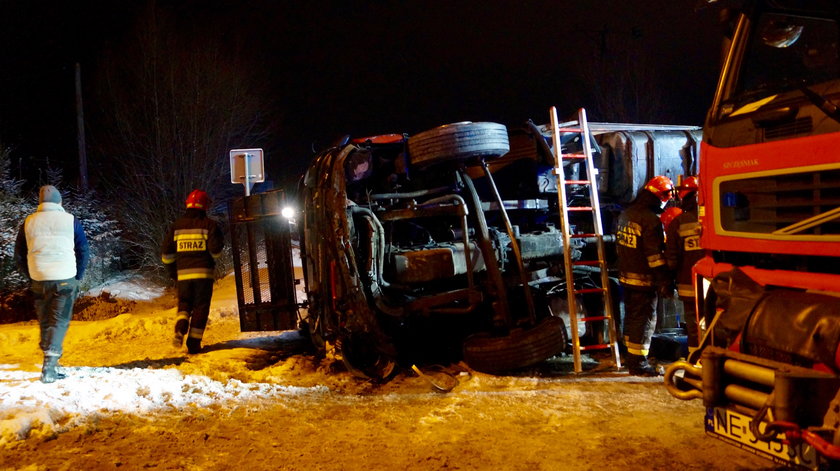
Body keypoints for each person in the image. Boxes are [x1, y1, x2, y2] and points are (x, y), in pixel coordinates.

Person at [14, 185, 89, 383]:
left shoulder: (28, 221)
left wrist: (30, 275)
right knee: (59, 320)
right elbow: (83, 250)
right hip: (64, 276)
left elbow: (19, 253)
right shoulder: (70, 220)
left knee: (46, 318)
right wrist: (78, 275)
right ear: (59, 201)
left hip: (38, 277)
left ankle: (52, 361)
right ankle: (49, 365)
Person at [616, 176, 674, 376]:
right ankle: (639, 364)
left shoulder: (626, 214)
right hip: (644, 280)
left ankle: (631, 358)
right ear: (659, 197)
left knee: (631, 318)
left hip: (625, 277)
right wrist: (665, 281)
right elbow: (655, 257)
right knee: (645, 320)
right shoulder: (651, 220)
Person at [161, 189, 224, 354]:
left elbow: (166, 255)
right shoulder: (209, 225)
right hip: (203, 275)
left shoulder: (176, 226)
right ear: (205, 206)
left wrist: (173, 272)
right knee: (201, 307)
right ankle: (194, 344)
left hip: (183, 275)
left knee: (184, 305)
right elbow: (215, 251)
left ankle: (180, 328)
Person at [665, 176, 703, 355]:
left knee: (694, 323)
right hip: (714, 284)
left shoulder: (678, 223)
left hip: (688, 285)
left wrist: (667, 282)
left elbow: (672, 259)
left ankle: (695, 359)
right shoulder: (713, 217)